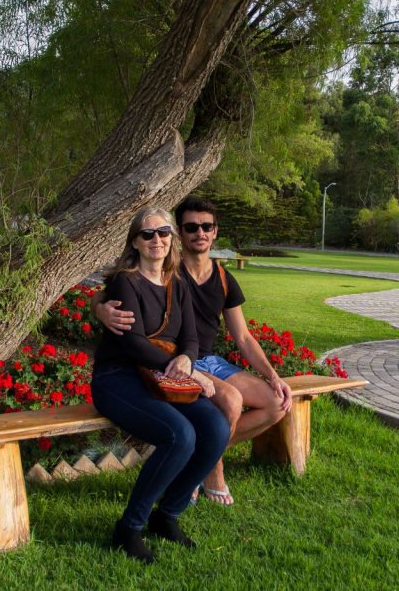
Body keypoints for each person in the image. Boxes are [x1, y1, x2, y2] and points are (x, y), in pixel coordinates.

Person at [96, 196, 293, 506]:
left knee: (277, 403)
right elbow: (111, 290)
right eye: (191, 227)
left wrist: (273, 376)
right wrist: (100, 309)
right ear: (180, 233)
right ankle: (213, 472)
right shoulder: (166, 266)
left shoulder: (224, 279)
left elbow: (243, 337)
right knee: (230, 400)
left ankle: (199, 458)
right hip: (174, 360)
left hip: (206, 360)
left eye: (206, 226)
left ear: (215, 232)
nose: (199, 233)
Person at [91, 207, 230, 564]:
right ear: (135, 242)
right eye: (148, 234)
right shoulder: (126, 282)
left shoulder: (176, 282)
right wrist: (188, 372)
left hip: (164, 378)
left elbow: (191, 338)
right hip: (119, 378)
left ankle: (167, 515)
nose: (157, 240)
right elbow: (133, 344)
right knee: (179, 435)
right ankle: (128, 528)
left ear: (172, 239)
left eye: (164, 232)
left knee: (215, 428)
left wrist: (187, 360)